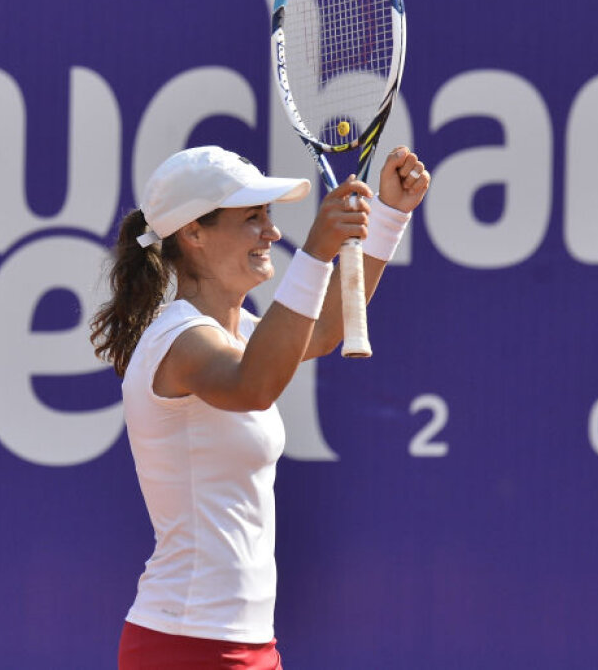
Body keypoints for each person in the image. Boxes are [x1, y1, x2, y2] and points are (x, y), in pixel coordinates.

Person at [90, 144, 430, 669]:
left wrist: (388, 215)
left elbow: (321, 331)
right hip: (184, 646)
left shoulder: (238, 331)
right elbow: (255, 386)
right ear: (193, 234)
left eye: (268, 217)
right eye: (252, 219)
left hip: (249, 645)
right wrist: (315, 252)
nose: (271, 233)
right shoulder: (180, 342)